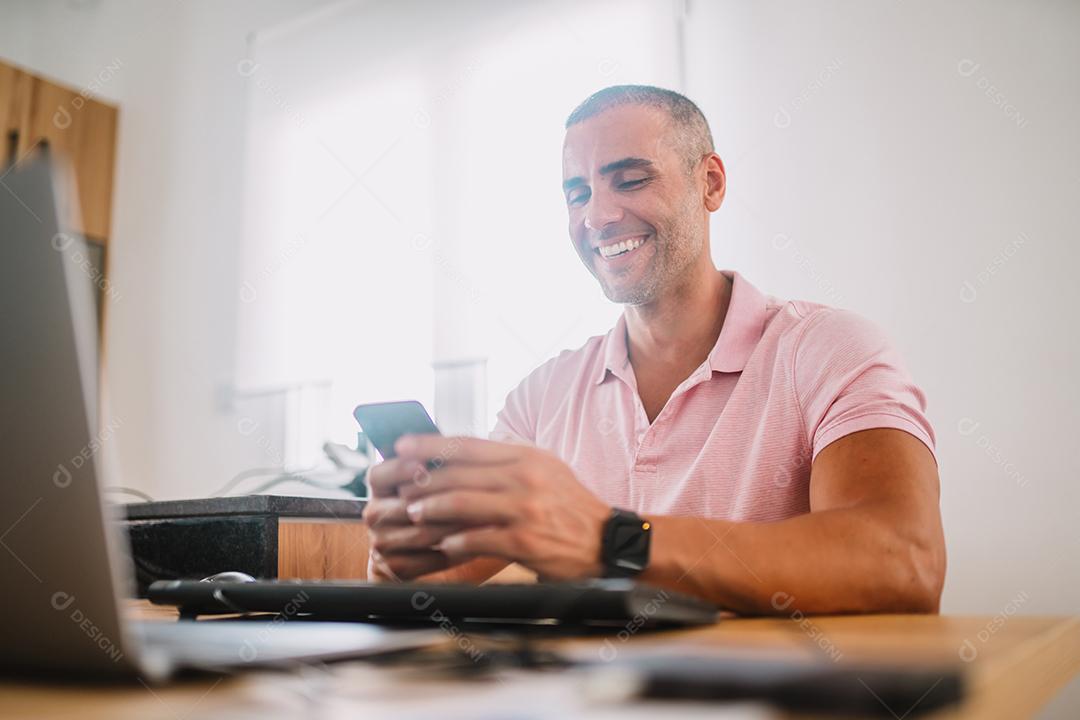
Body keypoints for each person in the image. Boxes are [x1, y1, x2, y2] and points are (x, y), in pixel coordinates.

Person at [362, 85, 946, 614]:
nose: (598, 214)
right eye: (577, 192)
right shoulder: (542, 397)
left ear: (710, 183)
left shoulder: (827, 350)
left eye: (631, 179)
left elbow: (903, 559)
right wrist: (399, 558)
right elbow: (435, 586)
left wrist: (611, 540)